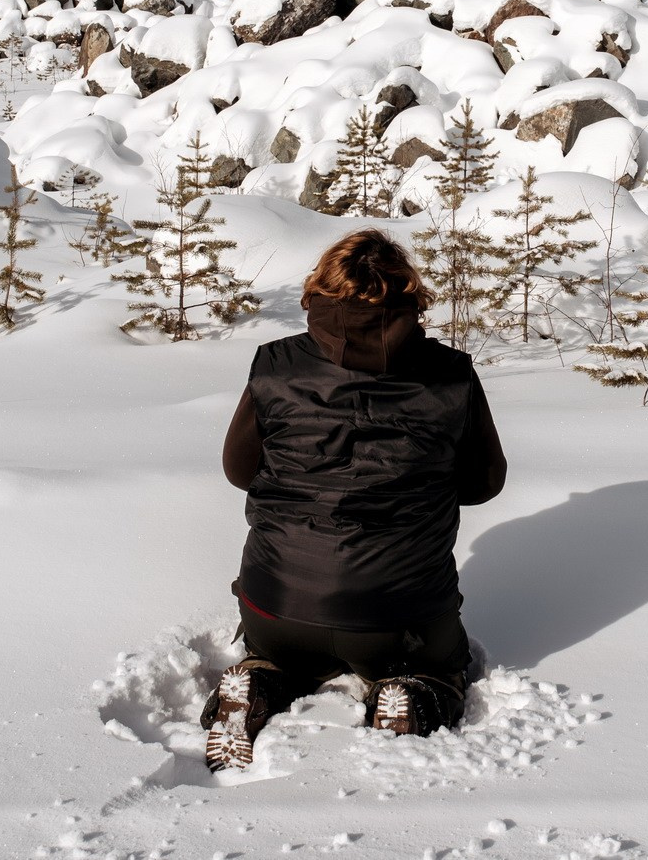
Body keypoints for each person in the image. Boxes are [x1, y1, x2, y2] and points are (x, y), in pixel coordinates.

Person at [201, 229, 506, 770]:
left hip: (275, 606)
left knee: (277, 652)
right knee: (439, 665)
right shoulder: (450, 375)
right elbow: (484, 484)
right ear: (409, 295)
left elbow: (237, 470)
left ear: (320, 291)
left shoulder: (275, 365)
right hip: (401, 620)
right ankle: (417, 691)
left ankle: (260, 678)